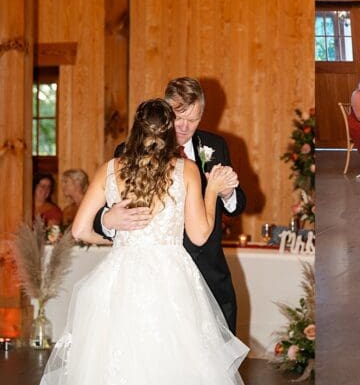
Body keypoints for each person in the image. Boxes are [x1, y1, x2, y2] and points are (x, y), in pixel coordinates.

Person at [43, 99, 248, 384]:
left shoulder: (110, 168)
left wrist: (114, 236)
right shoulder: (186, 170)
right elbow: (200, 235)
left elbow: (78, 231)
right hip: (171, 279)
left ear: (136, 130)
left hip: (121, 275)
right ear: (169, 132)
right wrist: (211, 190)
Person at [93, 77, 248, 333]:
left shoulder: (216, 146)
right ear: (165, 110)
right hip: (150, 279)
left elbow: (238, 205)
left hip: (208, 272)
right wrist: (106, 220)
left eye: (194, 119)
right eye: (179, 117)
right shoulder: (127, 149)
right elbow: (106, 204)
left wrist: (227, 192)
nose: (185, 126)